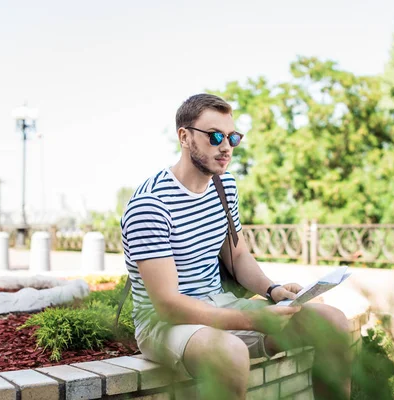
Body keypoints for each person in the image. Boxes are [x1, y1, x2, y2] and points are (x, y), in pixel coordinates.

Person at [121, 93, 351, 400]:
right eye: (215, 136)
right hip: (165, 324)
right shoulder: (150, 205)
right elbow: (168, 305)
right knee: (228, 354)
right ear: (184, 136)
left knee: (332, 322)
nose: (226, 146)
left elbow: (237, 254)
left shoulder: (224, 186)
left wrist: (273, 290)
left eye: (233, 137)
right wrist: (252, 320)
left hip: (221, 303)